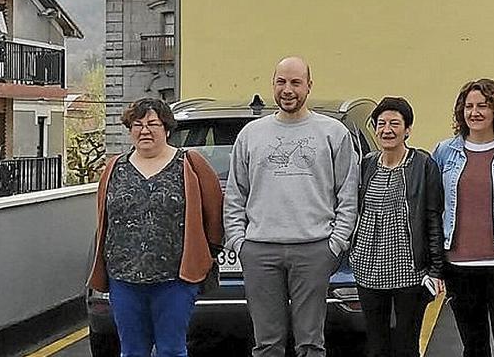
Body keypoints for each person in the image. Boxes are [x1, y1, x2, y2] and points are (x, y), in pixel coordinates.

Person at [224, 56, 359, 357]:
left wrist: (335, 244)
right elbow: (235, 195)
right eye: (281, 82)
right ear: (273, 85)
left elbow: (347, 195)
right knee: (266, 344)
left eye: (296, 82)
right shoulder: (250, 135)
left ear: (309, 86)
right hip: (259, 251)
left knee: (311, 344)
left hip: (314, 249)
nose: (288, 89)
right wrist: (239, 242)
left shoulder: (333, 133)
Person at [87, 98, 223, 357]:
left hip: (175, 281)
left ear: (167, 129)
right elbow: (104, 219)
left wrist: (206, 254)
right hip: (123, 280)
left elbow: (214, 215)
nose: (144, 130)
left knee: (171, 349)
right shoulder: (114, 167)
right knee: (132, 351)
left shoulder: (189, 164)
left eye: (152, 124)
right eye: (137, 124)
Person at [432, 78, 494, 357]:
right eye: (469, 106)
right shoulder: (444, 152)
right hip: (459, 267)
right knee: (473, 347)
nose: (474, 112)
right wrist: (436, 264)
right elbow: (435, 208)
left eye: (483, 106)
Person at [350, 96, 445, 357]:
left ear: (407, 130)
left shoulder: (423, 165)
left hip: (408, 271)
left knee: (406, 344)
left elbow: (433, 218)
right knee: (376, 344)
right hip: (368, 269)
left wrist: (436, 269)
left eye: (394, 123)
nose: (387, 130)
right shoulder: (367, 164)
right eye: (381, 124)